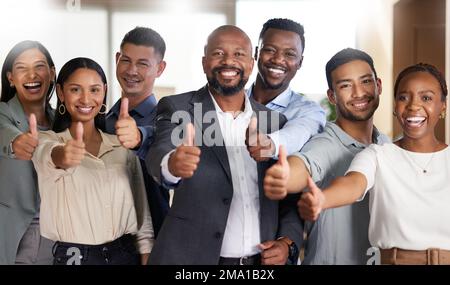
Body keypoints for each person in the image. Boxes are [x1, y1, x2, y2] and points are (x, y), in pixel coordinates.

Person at [146, 25, 302, 265]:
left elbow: (289, 196)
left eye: (239, 54)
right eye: (218, 53)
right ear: (204, 62)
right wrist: (172, 164)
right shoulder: (179, 109)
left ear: (251, 64)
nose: (228, 61)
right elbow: (160, 152)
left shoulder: (274, 123)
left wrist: (287, 242)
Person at [299, 63, 449, 265]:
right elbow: (353, 184)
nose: (413, 105)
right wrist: (322, 199)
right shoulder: (378, 155)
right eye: (403, 97)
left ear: (443, 106)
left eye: (426, 98)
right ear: (396, 106)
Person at [264, 48, 390, 264]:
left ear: (378, 85)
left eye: (366, 81)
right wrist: (284, 176)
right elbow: (302, 166)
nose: (359, 92)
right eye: (345, 86)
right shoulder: (325, 143)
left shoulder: (386, 145)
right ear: (332, 96)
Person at [31, 57, 153, 265]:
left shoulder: (122, 146)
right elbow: (50, 156)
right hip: (74, 258)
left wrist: (146, 255)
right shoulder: (47, 141)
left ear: (104, 91)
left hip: (125, 254)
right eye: (76, 90)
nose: (86, 99)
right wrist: (64, 155)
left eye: (94, 90)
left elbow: (143, 220)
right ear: (61, 92)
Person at [105, 27, 169, 237]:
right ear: (117, 59)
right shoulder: (103, 121)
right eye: (126, 60)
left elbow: (162, 144)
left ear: (159, 69)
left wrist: (139, 136)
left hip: (150, 246)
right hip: (103, 243)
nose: (131, 71)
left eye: (142, 64)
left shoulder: (167, 123)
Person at [0, 40, 56, 265]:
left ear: (51, 73)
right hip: (14, 236)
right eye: (22, 68)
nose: (31, 75)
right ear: (11, 78)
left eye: (39, 66)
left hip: (55, 236)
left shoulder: (60, 121)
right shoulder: (3, 114)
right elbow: (4, 133)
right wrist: (15, 143)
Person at [246, 18, 325, 161]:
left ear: (300, 62)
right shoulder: (231, 100)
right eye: (270, 50)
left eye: (289, 54)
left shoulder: (309, 112)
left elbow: (300, 132)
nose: (277, 60)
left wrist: (271, 144)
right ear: (257, 53)